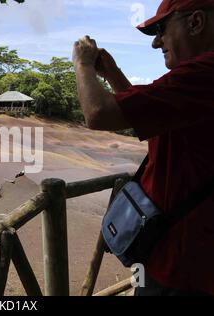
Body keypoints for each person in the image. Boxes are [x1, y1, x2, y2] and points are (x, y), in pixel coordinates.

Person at [72, 0, 214, 296]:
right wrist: (111, 73)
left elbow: (97, 113)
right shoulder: (196, 87)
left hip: (180, 267)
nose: (156, 42)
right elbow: (148, 121)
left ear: (196, 22)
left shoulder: (202, 75)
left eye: (162, 28)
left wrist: (82, 62)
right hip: (184, 258)